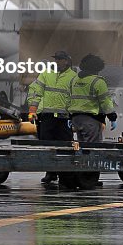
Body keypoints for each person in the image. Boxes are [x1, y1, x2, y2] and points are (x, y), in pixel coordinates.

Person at [27, 50, 77, 184]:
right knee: (47, 145)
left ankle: (64, 174)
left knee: (65, 146)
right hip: (47, 117)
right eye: (57, 59)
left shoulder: (73, 77)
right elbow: (36, 93)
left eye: (61, 59)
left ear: (67, 61)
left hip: (64, 118)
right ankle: (50, 172)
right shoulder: (46, 74)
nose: (58, 62)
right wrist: (32, 111)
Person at [68, 54, 116, 143]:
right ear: (97, 67)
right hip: (90, 120)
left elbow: (69, 100)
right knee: (93, 148)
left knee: (81, 147)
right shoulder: (98, 82)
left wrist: (69, 117)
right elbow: (106, 102)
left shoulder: (74, 80)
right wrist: (112, 117)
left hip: (76, 119)